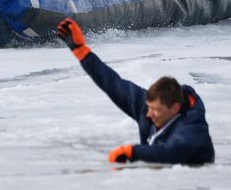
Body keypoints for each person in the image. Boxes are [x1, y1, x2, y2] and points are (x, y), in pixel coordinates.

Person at [56, 18, 215, 165]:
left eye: (156, 110)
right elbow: (114, 84)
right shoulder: (148, 109)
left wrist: (132, 152)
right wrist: (81, 52)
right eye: (149, 107)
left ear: (175, 108)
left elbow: (172, 153)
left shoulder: (193, 126)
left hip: (189, 188)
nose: (148, 114)